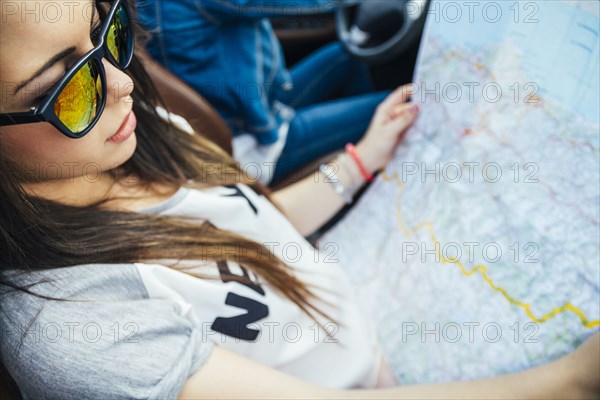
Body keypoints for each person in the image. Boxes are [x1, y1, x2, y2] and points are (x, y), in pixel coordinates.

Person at [0, 1, 598, 399]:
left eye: (109, 33)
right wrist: (571, 381)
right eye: (66, 86)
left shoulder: (127, 131)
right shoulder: (75, 331)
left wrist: (359, 161)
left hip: (367, 318)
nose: (122, 81)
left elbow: (238, 230)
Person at [135, 0, 390, 185]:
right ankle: (371, 162)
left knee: (349, 56)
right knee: (399, 109)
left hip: (256, 107)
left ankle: (368, 170)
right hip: (253, 142)